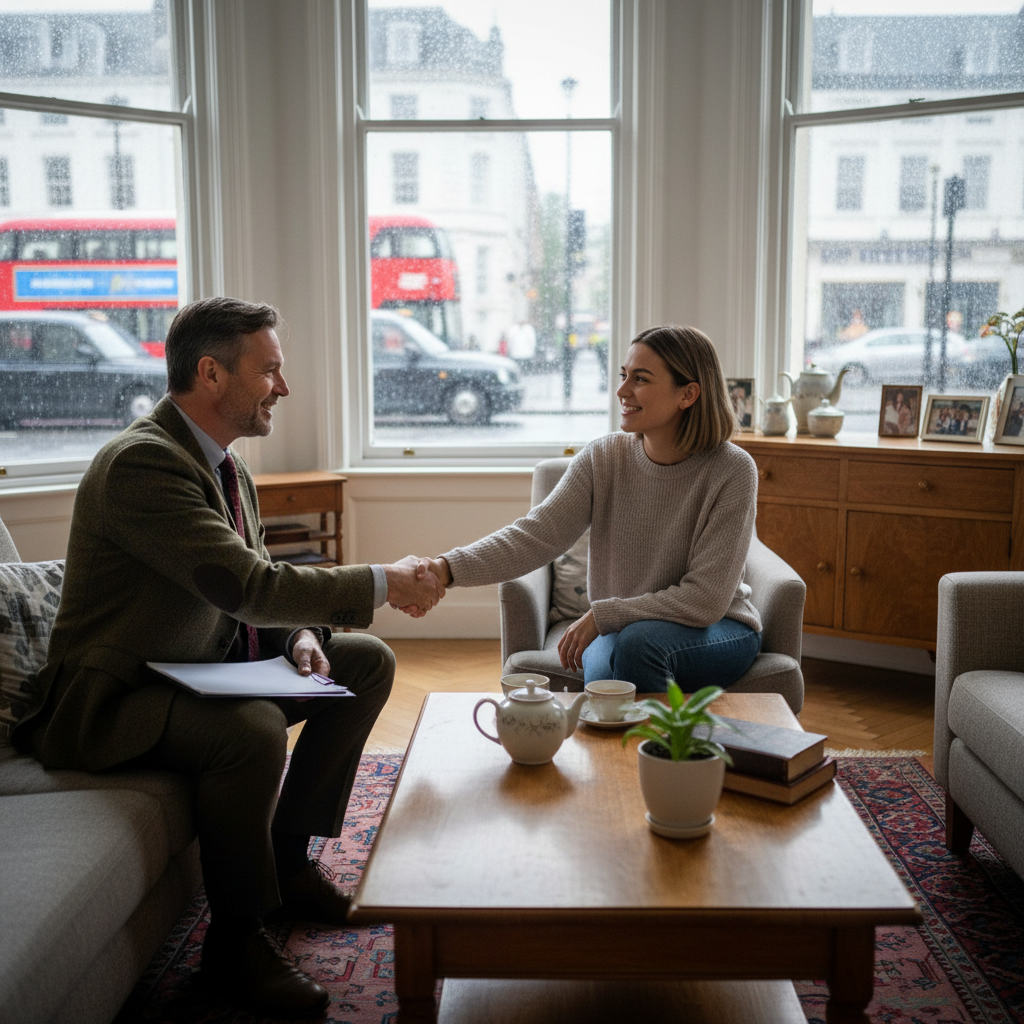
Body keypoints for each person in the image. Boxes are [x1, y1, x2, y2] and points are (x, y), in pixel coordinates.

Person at [12, 297, 446, 1019]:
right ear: (211, 374)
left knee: (362, 661)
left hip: (195, 670)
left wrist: (298, 636)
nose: (283, 386)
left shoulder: (226, 467)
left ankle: (288, 858)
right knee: (246, 729)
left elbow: (252, 598)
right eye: (269, 370)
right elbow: (247, 585)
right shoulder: (143, 465)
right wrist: (381, 581)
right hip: (112, 702)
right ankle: (235, 941)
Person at [405, 324, 762, 692]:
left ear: (687, 394)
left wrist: (605, 615)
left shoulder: (732, 470)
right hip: (622, 632)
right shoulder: (603, 458)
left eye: (640, 379)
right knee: (616, 665)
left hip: (716, 630)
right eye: (624, 375)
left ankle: (662, 749)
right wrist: (445, 569)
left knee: (637, 646)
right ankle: (641, 749)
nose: (622, 390)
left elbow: (705, 600)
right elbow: (534, 536)